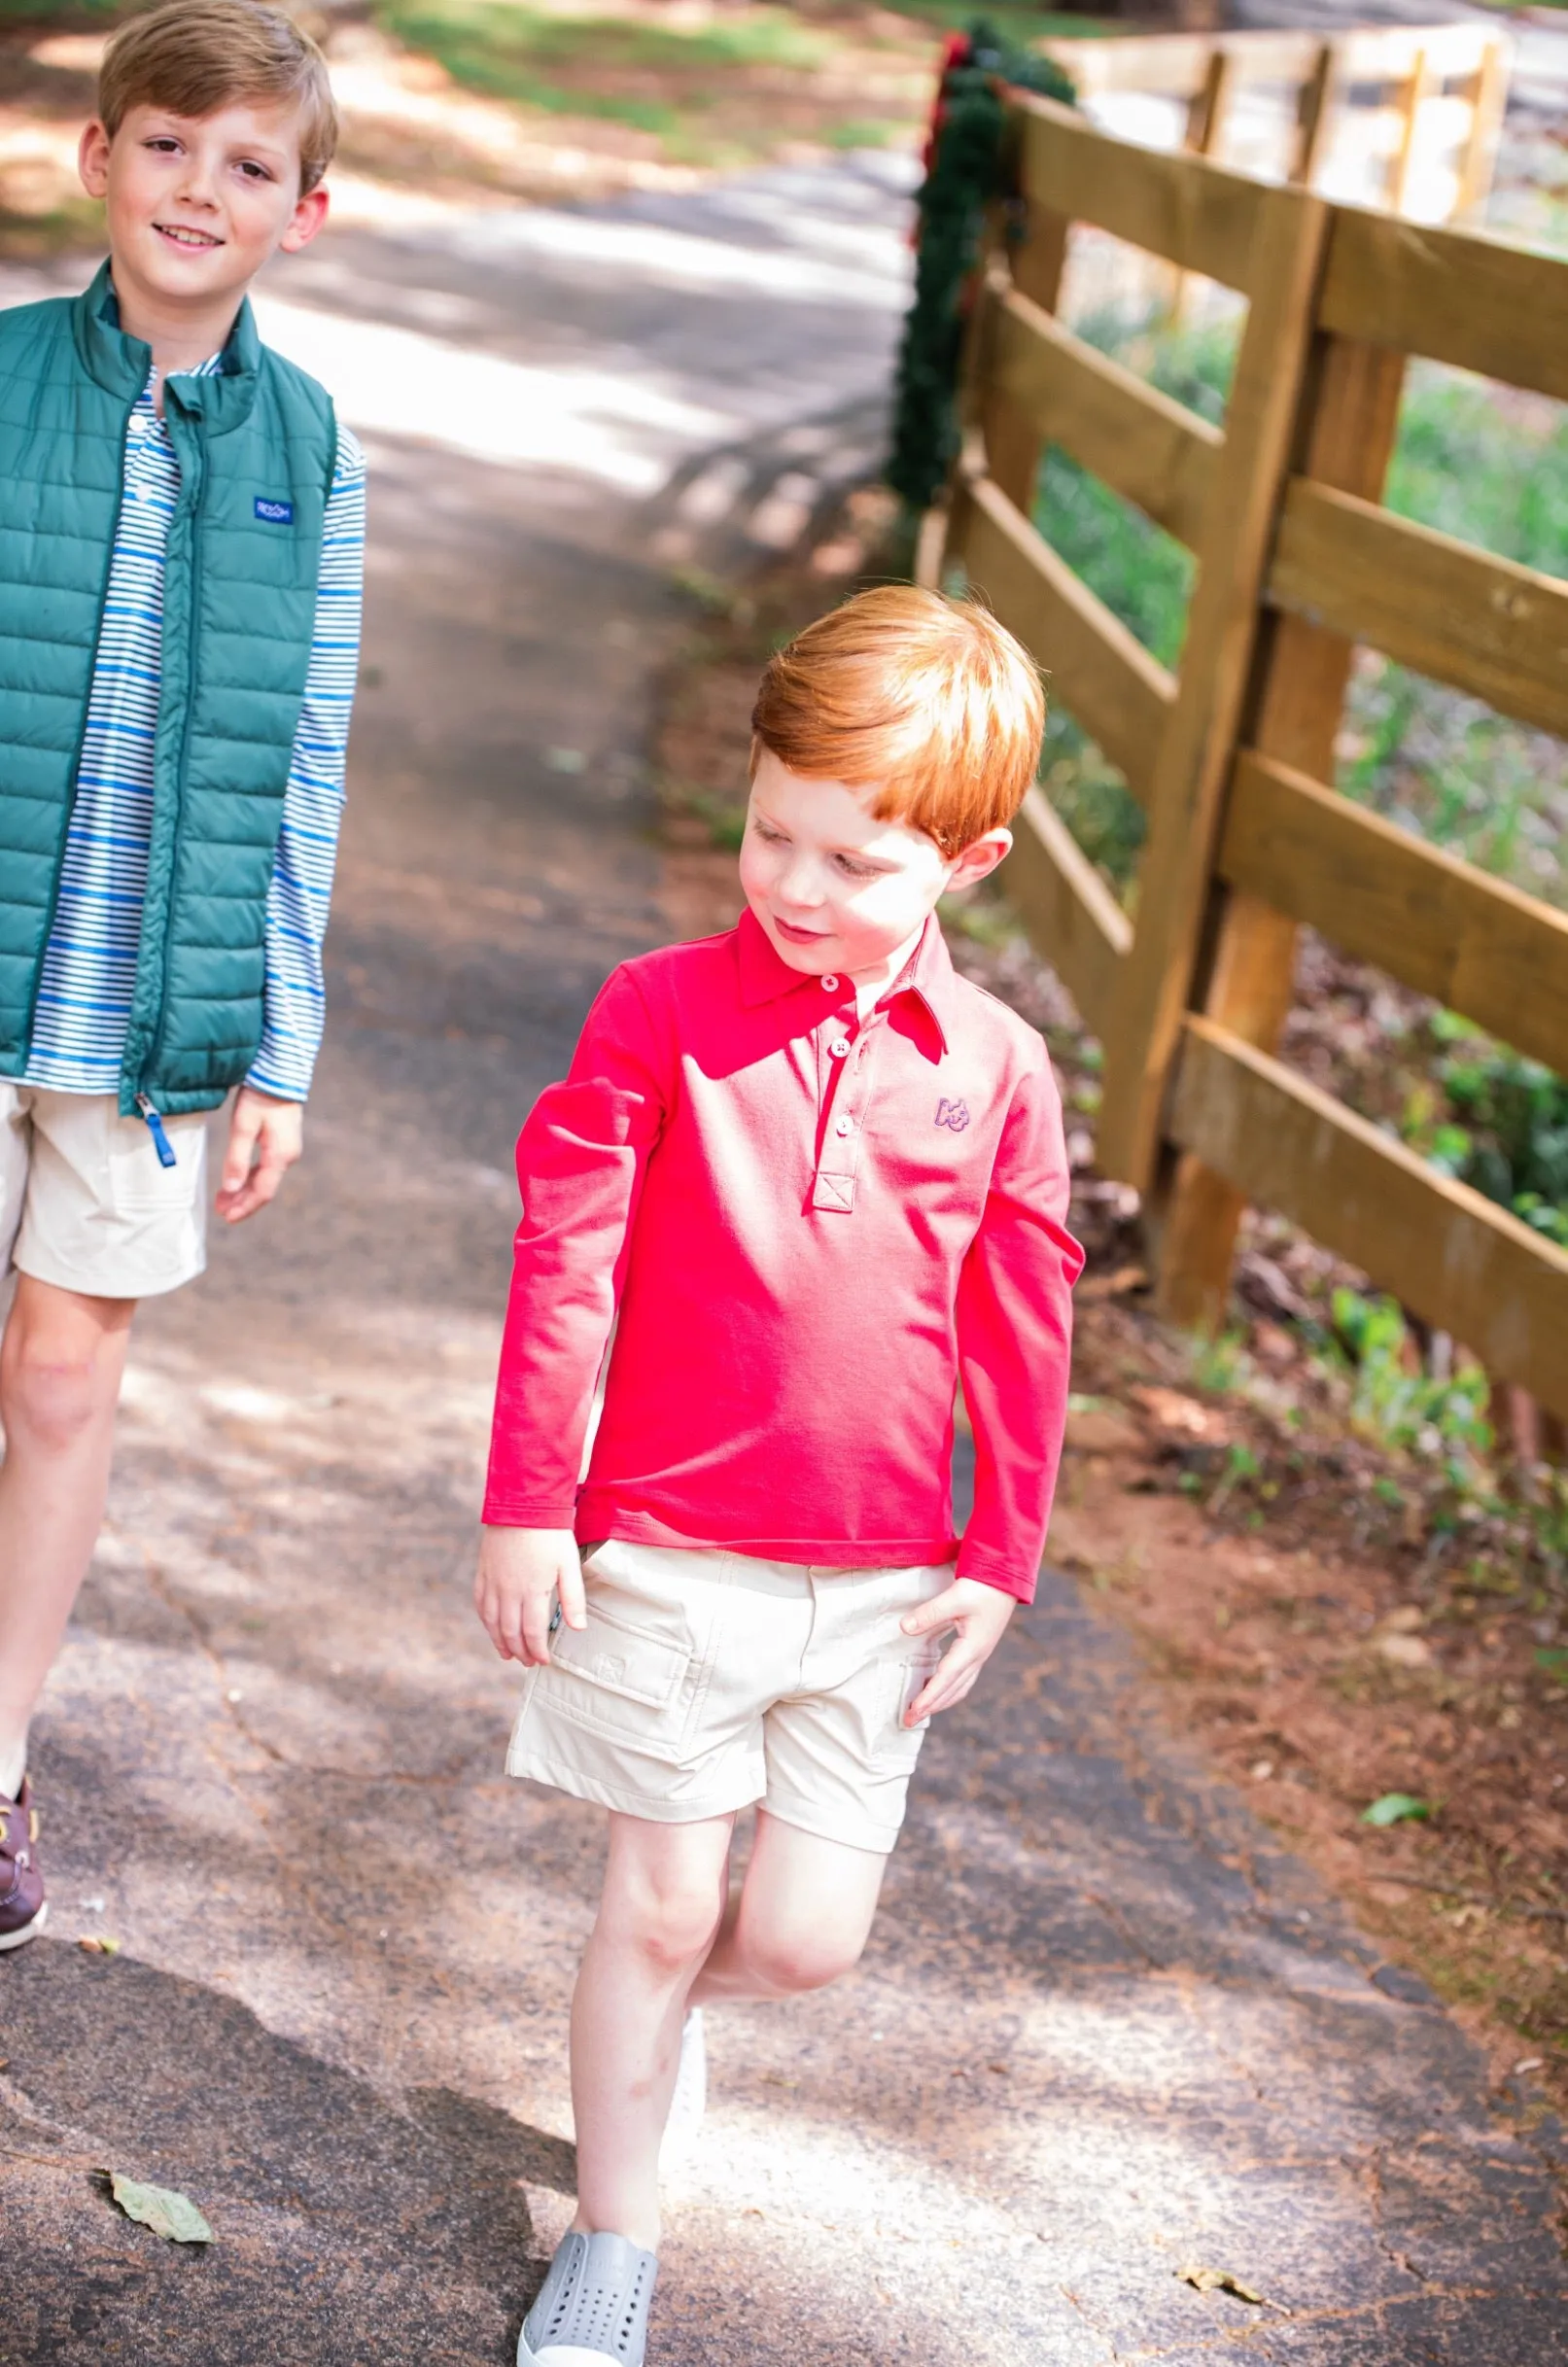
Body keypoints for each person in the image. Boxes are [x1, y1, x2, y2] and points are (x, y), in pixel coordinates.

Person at [475, 584, 1083, 2366]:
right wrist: (530, 1493)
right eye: (772, 834)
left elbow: (1023, 1319)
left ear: (963, 863)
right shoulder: (658, 1011)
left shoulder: (997, 1071)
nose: (799, 888)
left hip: (883, 1580)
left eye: (853, 860)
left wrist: (1000, 1549)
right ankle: (612, 2230)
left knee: (805, 1939)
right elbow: (565, 1254)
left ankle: (649, 2025)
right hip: (663, 1548)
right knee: (656, 1898)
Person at [0, 0, 364, 1949]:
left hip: (150, 1008)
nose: (198, 189)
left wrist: (278, 1046)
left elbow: (307, 758)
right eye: (167, 145)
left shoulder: (309, 449)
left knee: (66, 1375)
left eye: (246, 164)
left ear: (303, 211)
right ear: (99, 160)